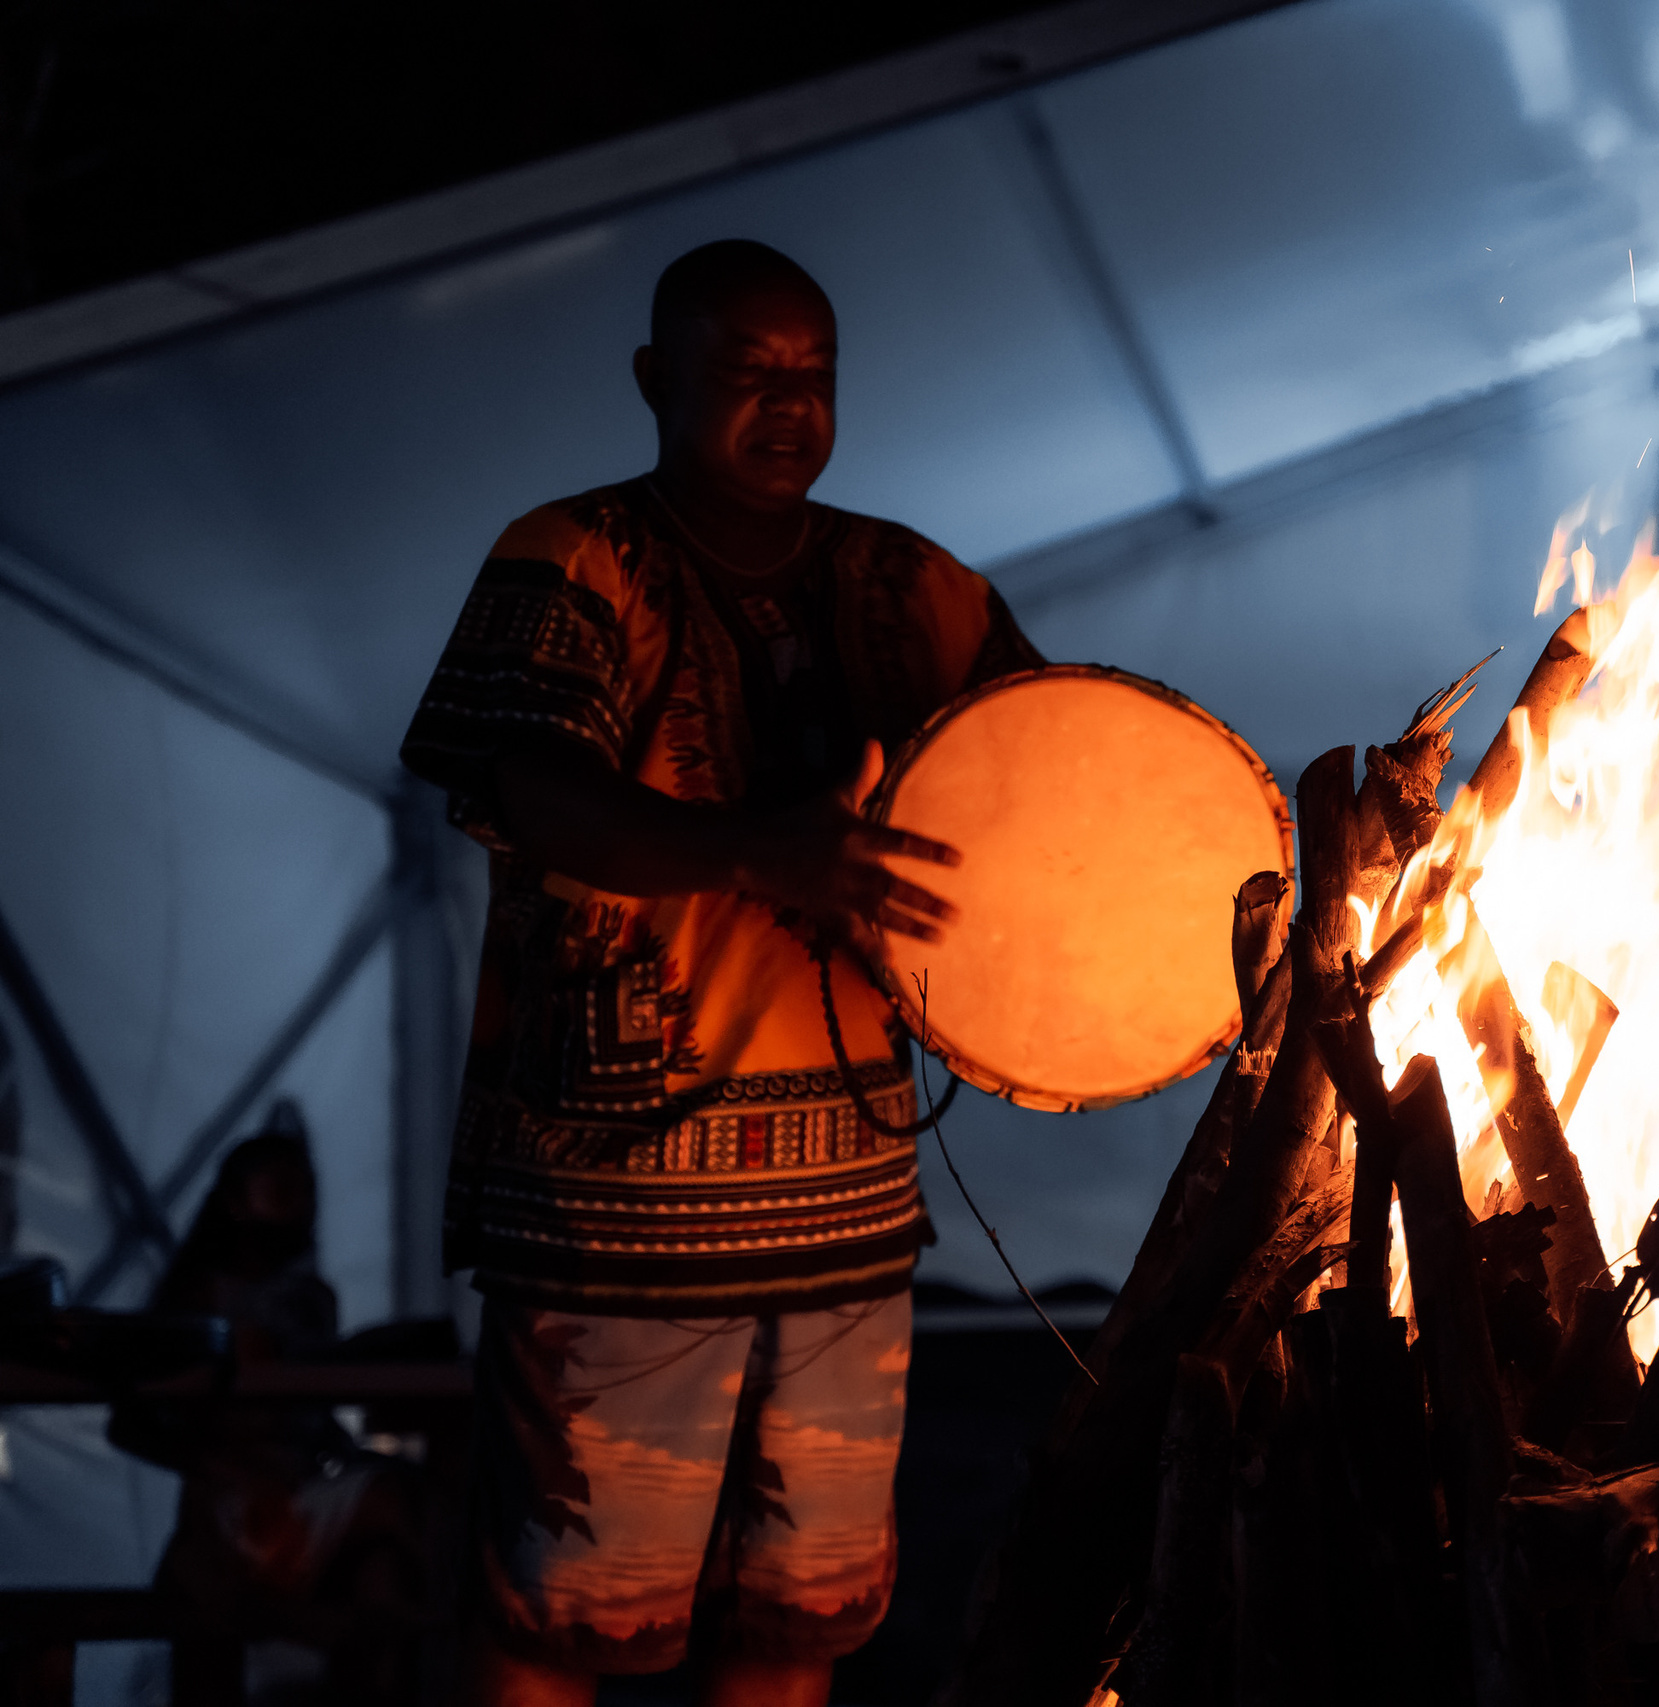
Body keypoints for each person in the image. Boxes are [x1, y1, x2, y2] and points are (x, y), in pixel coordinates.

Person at [399, 239, 1043, 1707]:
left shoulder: (915, 581)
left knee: (795, 1622)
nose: (789, 404)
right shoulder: (568, 558)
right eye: (747, 372)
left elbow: (1050, 800)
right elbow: (529, 787)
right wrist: (764, 851)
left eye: (812, 374)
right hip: (616, 1214)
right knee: (561, 1619)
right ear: (654, 379)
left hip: (849, 1219)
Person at [109, 1117, 439, 1704]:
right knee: (207, 1591)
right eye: (282, 1187)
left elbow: (310, 1402)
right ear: (236, 1201)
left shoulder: (312, 1299)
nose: (301, 1203)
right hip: (230, 1507)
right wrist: (221, 1468)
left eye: (306, 1188)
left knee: (390, 1547)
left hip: (306, 1497)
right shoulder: (194, 1300)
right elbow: (130, 1420)